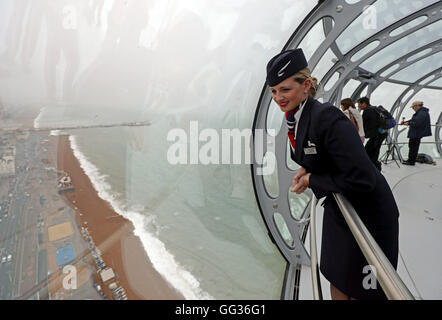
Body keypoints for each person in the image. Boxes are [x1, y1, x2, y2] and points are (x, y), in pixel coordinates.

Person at [266, 48, 399, 300]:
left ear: (306, 85)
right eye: (274, 91)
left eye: (285, 89)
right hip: (341, 208)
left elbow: (362, 177)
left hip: (369, 214)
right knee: (336, 275)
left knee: (365, 290)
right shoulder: (295, 116)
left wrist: (311, 180)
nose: (278, 97)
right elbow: (318, 153)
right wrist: (306, 168)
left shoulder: (326, 117)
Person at [357, 97, 387, 171]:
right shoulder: (374, 108)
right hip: (381, 133)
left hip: (376, 134)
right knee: (374, 150)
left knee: (370, 151)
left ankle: (374, 167)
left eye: (359, 104)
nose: (358, 106)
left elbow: (366, 124)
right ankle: (375, 167)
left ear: (364, 103)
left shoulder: (367, 111)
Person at [400, 100, 432, 165]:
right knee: (413, 147)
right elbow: (415, 120)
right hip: (417, 133)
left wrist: (408, 123)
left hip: (416, 133)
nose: (413, 109)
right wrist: (406, 122)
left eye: (413, 107)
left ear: (417, 106)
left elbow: (417, 123)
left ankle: (411, 161)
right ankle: (411, 160)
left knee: (413, 147)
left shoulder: (421, 113)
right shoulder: (421, 112)